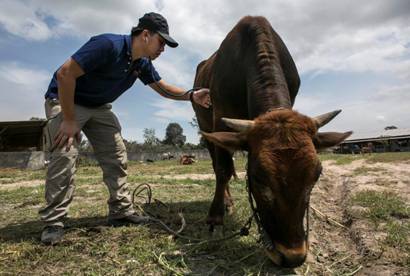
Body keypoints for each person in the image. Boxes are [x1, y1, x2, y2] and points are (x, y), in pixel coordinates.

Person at [39, 12, 211, 245]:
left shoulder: (141, 63)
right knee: (64, 153)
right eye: (162, 42)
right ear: (146, 35)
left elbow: (162, 88)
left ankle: (120, 211)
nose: (163, 49)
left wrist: (192, 95)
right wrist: (68, 120)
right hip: (67, 100)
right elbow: (65, 74)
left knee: (117, 154)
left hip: (99, 107)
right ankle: (54, 222)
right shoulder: (108, 45)